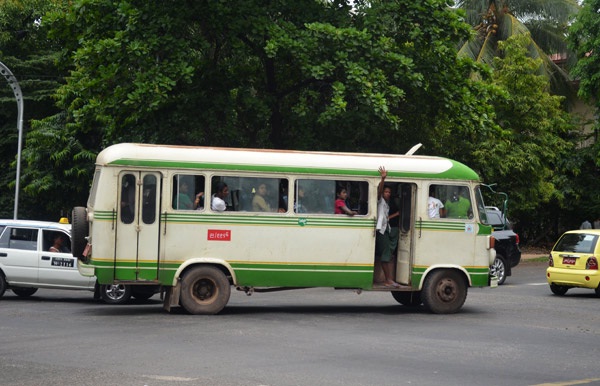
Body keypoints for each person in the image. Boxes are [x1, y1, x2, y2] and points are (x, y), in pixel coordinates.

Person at [374, 166, 400, 288]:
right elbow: (378, 193)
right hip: (381, 231)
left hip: (385, 229)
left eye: (389, 192)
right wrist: (382, 179)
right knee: (386, 255)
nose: (387, 194)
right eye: (386, 192)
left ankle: (388, 279)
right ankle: (388, 280)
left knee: (386, 254)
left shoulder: (386, 204)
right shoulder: (380, 200)